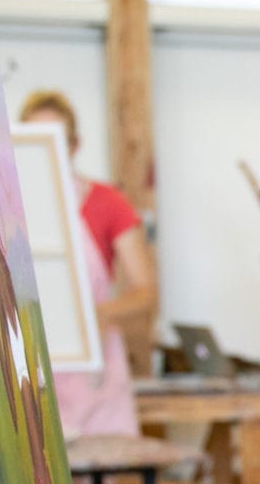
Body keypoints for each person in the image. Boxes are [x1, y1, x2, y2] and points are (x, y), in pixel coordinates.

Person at [18, 91, 158, 439]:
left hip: (94, 371)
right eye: (36, 141)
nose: (47, 151)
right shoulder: (8, 209)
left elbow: (145, 292)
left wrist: (97, 314)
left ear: (75, 145)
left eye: (57, 141)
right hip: (29, 367)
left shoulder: (108, 203)